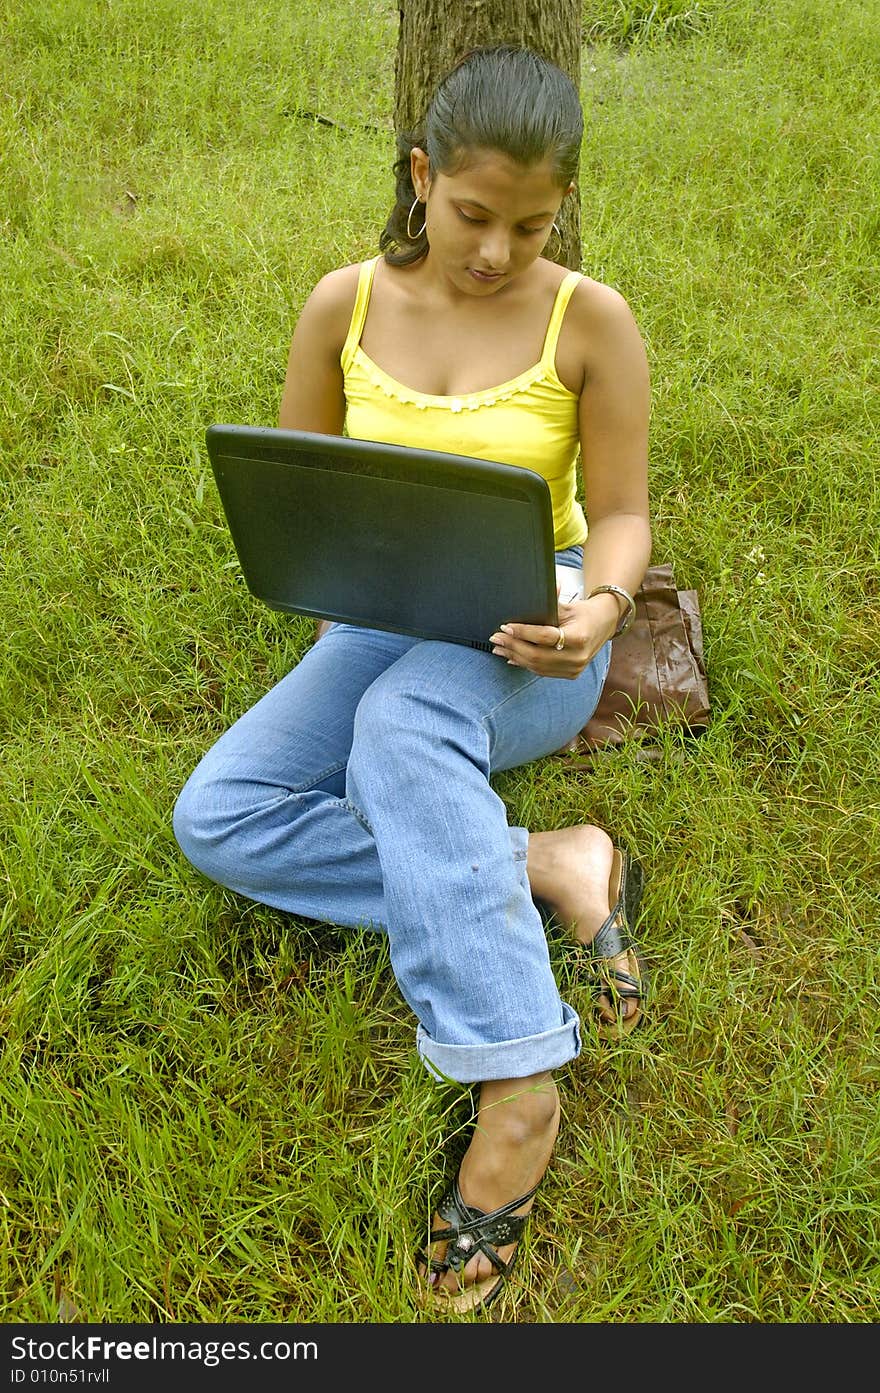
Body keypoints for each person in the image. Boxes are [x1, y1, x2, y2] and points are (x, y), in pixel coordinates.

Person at [173, 43, 652, 1314]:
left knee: (400, 729)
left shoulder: (588, 320)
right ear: (421, 174)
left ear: (561, 209)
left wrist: (596, 608)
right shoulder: (342, 303)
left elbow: (619, 516)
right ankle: (548, 864)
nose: (496, 250)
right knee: (217, 817)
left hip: (528, 629)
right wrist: (333, 591)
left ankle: (518, 1082)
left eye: (530, 224)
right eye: (471, 215)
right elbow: (303, 491)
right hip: (386, 614)